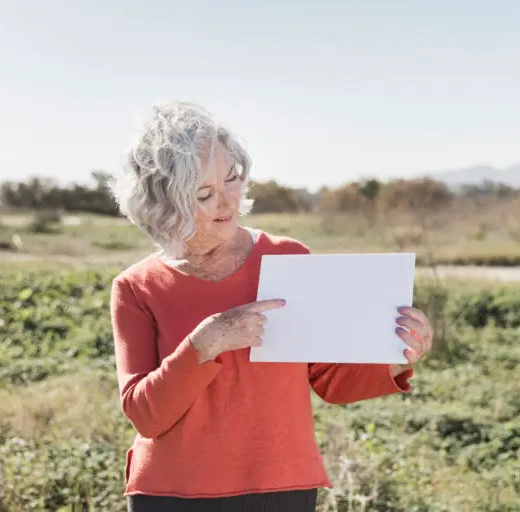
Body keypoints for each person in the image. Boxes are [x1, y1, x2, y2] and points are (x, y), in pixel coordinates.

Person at [108, 100, 434, 512]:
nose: (227, 202)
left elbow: (329, 379)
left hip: (280, 487)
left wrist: (397, 356)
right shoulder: (136, 287)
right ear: (163, 204)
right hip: (171, 495)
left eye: (232, 180)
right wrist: (202, 346)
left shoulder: (287, 257)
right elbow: (144, 415)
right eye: (205, 193)